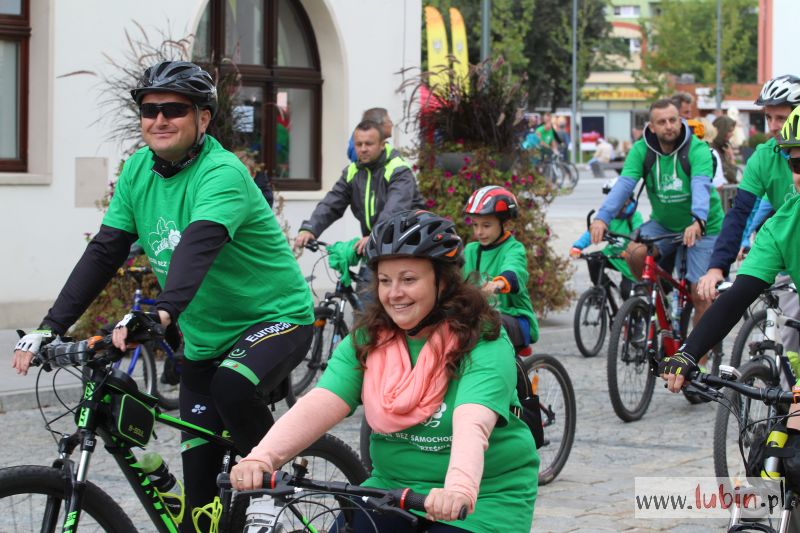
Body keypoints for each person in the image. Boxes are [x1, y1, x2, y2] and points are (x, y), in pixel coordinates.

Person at [11, 60, 315, 531]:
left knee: (232, 386)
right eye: (149, 110)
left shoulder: (221, 173)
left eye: (174, 109)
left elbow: (199, 244)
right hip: (206, 340)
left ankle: (273, 489)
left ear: (203, 118)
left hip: (276, 319)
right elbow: (105, 251)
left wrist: (162, 312)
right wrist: (51, 327)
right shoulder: (138, 170)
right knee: (199, 513)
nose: (159, 119)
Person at [231, 210, 538, 532]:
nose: (394, 293)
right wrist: (262, 457)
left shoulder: (482, 339)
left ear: (443, 282)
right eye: (385, 281)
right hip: (392, 487)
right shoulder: (369, 339)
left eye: (409, 279)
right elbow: (322, 400)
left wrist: (459, 488)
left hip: (484, 496)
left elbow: (472, 421)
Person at [660, 106, 800, 392]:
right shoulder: (782, 227)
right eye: (797, 165)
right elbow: (738, 297)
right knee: (791, 415)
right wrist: (689, 352)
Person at [589, 98, 724, 364]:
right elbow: (624, 185)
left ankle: (698, 363)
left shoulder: (697, 149)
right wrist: (602, 218)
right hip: (663, 223)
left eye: (673, 120)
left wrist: (698, 220)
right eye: (662, 122)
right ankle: (659, 299)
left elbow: (701, 186)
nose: (669, 126)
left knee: (700, 293)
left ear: (680, 120)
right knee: (634, 252)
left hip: (703, 225)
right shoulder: (642, 150)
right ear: (651, 127)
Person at [696, 76, 800, 298]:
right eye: (768, 117)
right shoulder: (763, 157)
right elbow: (740, 211)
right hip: (790, 258)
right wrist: (717, 266)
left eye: (781, 118)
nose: (773, 127)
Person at [294, 120, 423, 257]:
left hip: (410, 244)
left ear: (382, 145)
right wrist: (310, 229)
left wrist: (375, 235)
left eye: (369, 144)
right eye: (359, 144)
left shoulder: (398, 170)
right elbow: (331, 204)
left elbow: (395, 208)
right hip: (376, 244)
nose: (363, 149)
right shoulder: (352, 172)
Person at [462, 186, 539, 348]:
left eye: (486, 225)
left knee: (486, 323)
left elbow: (515, 269)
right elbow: (455, 277)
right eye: (475, 225)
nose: (479, 232)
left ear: (505, 223)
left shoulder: (513, 248)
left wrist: (499, 283)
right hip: (479, 316)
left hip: (516, 318)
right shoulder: (470, 250)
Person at [571, 178, 643, 300]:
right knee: (593, 260)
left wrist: (630, 251)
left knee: (627, 292)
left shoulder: (634, 216)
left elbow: (639, 235)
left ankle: (630, 310)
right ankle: (603, 292)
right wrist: (577, 247)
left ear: (627, 199)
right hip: (612, 255)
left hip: (628, 261)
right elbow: (592, 233)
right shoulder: (609, 217)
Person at [712, 115, 739, 184]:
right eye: (729, 131)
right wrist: (732, 159)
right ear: (721, 131)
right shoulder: (713, 150)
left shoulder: (722, 148)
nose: (732, 134)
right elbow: (731, 176)